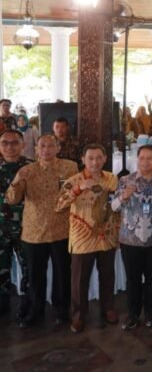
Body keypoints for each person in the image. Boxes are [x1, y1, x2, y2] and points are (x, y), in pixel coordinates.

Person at [5, 135, 78, 327]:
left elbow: (76, 194)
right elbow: (12, 200)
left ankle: (62, 310)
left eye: (50, 145)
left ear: (58, 148)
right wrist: (16, 182)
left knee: (63, 274)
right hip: (34, 231)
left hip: (61, 230)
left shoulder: (70, 167)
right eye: (42, 146)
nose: (46, 149)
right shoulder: (26, 170)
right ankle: (36, 310)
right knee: (35, 275)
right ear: (36, 149)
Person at [55, 143, 120, 333]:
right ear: (83, 160)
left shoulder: (112, 179)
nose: (95, 162)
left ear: (105, 159)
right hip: (82, 237)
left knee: (108, 276)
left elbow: (117, 207)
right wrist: (78, 189)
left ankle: (108, 308)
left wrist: (118, 231)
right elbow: (58, 206)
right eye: (90, 158)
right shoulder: (73, 180)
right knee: (79, 280)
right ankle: (78, 316)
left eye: (99, 158)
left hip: (106, 235)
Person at [112, 144, 152, 330]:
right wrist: (123, 197)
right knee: (133, 278)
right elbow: (113, 207)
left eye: (150, 158)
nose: (145, 162)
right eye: (142, 158)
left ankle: (151, 313)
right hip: (130, 239)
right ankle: (133, 314)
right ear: (136, 159)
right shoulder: (125, 180)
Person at [0, 129, 33, 319]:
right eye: (5, 143)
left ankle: (28, 305)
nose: (9, 147)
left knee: (28, 269)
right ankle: (3, 302)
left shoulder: (32, 169)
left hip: (26, 229)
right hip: (1, 230)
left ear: (23, 145)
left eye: (14, 143)